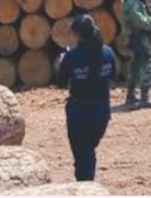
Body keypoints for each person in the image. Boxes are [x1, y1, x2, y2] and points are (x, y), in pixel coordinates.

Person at [57, 14, 117, 182]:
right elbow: (112, 75)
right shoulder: (108, 52)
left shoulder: (72, 56)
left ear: (77, 35)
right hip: (101, 112)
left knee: (84, 160)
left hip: (79, 114)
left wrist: (63, 62)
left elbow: (61, 83)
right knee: (88, 153)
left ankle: (85, 189)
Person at [120, 0, 151, 109]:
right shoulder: (132, 2)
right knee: (147, 64)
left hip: (137, 37)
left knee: (135, 66)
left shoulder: (134, 0)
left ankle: (131, 96)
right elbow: (139, 21)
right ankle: (144, 98)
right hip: (138, 37)